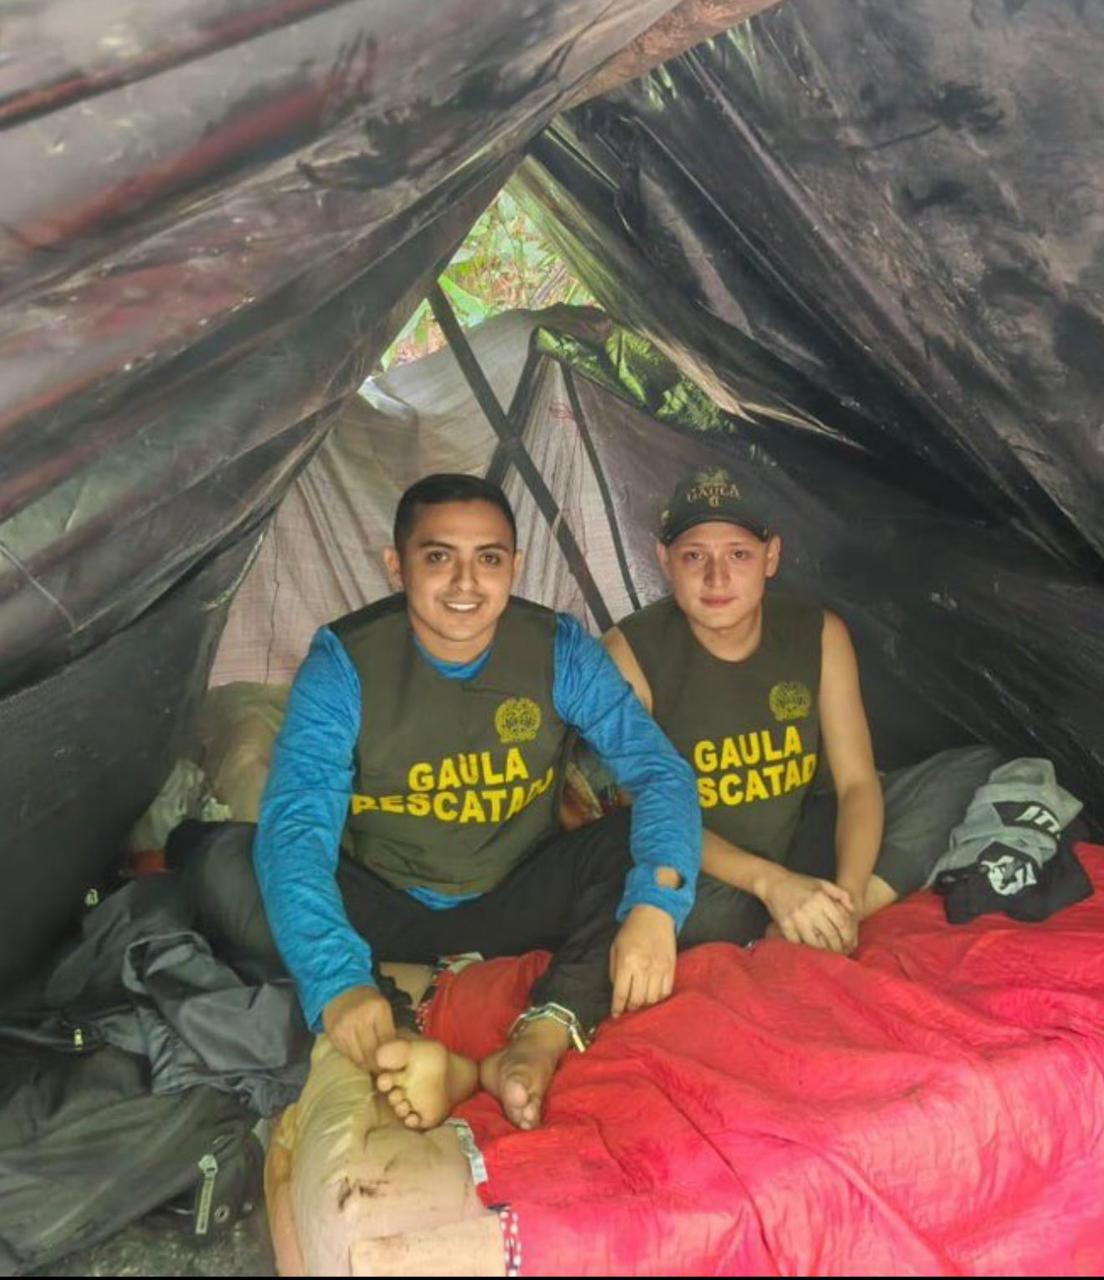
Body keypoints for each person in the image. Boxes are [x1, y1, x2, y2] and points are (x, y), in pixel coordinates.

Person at [252, 472, 701, 1133]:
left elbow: (660, 774)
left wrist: (657, 908)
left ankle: (541, 1035)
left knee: (640, 849)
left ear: (514, 566)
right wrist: (337, 981)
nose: (466, 583)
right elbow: (296, 828)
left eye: (488, 559)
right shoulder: (345, 662)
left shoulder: (558, 648)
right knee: (229, 862)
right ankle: (408, 1040)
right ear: (396, 566)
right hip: (387, 900)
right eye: (439, 557)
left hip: (515, 894)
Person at [603, 467, 999, 954]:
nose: (716, 577)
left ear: (771, 557)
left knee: (971, 771)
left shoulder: (819, 633)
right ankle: (795, 919)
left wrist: (849, 893)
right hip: (709, 867)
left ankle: (830, 915)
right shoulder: (629, 653)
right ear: (664, 561)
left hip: (801, 840)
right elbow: (646, 813)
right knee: (656, 902)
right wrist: (771, 883)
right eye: (694, 556)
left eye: (739, 554)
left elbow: (856, 783)